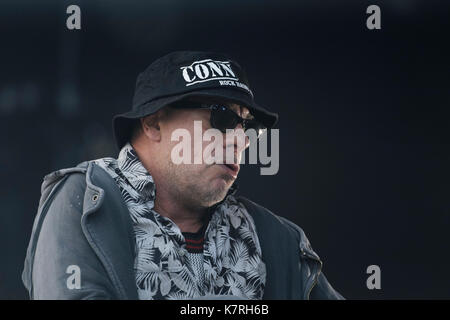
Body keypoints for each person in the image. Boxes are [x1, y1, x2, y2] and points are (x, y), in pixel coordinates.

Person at [22, 51, 344, 300]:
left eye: (246, 126)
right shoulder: (86, 203)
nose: (240, 139)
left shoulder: (276, 239)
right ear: (153, 123)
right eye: (221, 117)